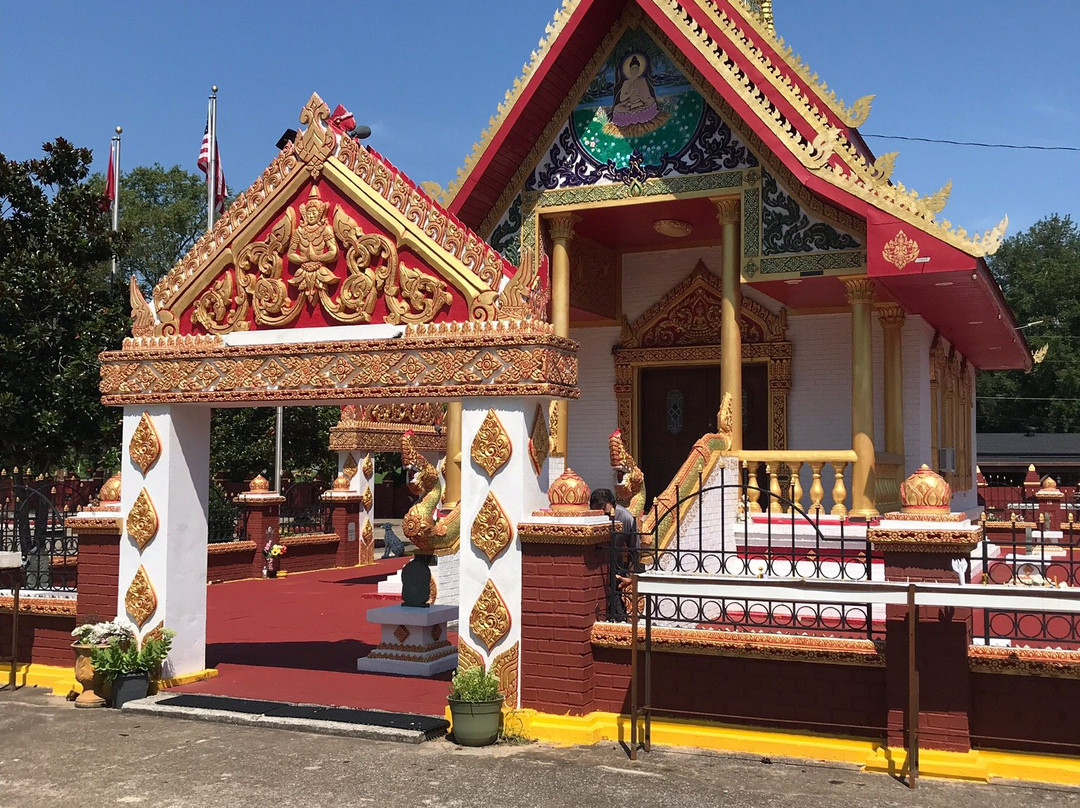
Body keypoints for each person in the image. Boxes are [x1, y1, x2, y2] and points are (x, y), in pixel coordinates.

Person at [591, 488, 640, 620]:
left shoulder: (625, 517)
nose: (603, 515)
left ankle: (620, 622)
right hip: (595, 560)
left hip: (616, 562)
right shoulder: (590, 515)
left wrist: (631, 575)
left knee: (615, 596)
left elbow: (634, 548)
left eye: (605, 511)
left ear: (613, 504)